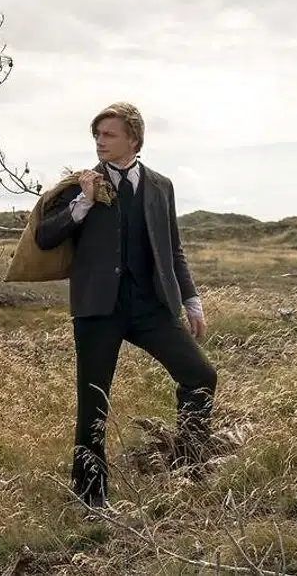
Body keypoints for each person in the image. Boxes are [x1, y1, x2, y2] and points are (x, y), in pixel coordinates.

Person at [34, 102, 217, 509]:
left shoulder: (160, 186)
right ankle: (91, 495)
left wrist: (191, 301)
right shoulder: (77, 186)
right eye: (97, 135)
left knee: (200, 374)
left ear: (133, 138)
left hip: (151, 307)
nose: (100, 142)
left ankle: (189, 468)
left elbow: (173, 248)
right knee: (94, 399)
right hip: (98, 309)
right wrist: (82, 203)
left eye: (109, 134)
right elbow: (45, 238)